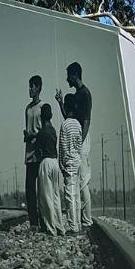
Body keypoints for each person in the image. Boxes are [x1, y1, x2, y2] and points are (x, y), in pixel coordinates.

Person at [58, 61, 94, 227]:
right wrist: (60, 102)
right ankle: (82, 219)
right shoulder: (78, 94)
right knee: (79, 180)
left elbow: (86, 121)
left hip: (81, 138)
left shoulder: (85, 94)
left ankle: (86, 219)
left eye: (68, 76)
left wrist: (79, 144)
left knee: (83, 180)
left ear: (74, 75)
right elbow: (69, 117)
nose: (67, 80)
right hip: (78, 136)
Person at [58, 93, 88, 232]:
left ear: (66, 106)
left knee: (69, 195)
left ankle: (72, 226)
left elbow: (62, 146)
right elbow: (78, 144)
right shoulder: (78, 125)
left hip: (69, 163)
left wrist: (62, 164)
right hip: (77, 161)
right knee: (76, 194)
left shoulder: (65, 125)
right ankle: (79, 224)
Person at [36, 102, 65, 234]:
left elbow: (38, 152)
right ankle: (60, 226)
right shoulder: (53, 130)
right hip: (55, 162)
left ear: (41, 117)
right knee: (55, 196)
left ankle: (51, 228)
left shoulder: (41, 133)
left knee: (46, 197)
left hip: (46, 162)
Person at [23, 75, 42, 226]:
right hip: (29, 154)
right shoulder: (28, 108)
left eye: (32, 86)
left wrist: (33, 135)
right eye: (29, 86)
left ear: (38, 88)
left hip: (40, 154)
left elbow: (45, 131)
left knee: (42, 190)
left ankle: (43, 219)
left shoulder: (43, 107)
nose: (29, 89)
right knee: (30, 189)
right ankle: (33, 222)